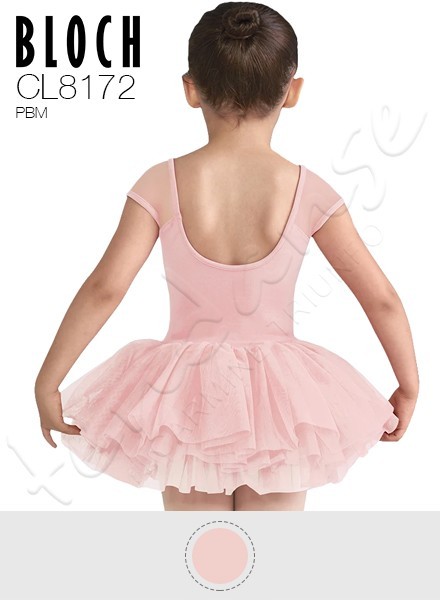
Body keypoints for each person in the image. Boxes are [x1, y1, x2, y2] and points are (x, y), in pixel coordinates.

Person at [34, 2, 419, 512]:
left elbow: (106, 287)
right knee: (272, 555)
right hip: (282, 402)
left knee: (199, 552)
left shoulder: (162, 183)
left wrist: (49, 379)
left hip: (185, 398)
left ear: (191, 89)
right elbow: (381, 298)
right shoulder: (309, 191)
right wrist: (408, 384)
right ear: (293, 91)